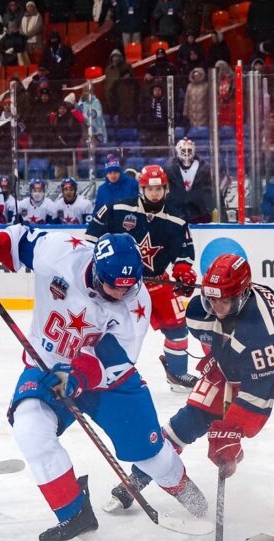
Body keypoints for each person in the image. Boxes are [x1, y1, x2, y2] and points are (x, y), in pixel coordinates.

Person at [0, 228, 209, 541]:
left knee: (151, 456)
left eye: (129, 286)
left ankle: (187, 492)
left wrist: (76, 377)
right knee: (29, 428)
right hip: (47, 364)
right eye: (114, 286)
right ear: (96, 270)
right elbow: (16, 241)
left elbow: (117, 360)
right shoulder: (60, 253)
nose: (123, 294)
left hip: (108, 382)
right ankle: (75, 516)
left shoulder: (136, 303)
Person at [104, 253, 274, 513]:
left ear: (241, 296)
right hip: (240, 358)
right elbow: (214, 341)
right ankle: (136, 479)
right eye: (211, 298)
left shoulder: (262, 329)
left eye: (224, 301)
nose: (215, 307)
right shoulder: (198, 311)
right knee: (192, 416)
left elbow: (258, 396)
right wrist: (217, 360)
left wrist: (231, 431)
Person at [87, 164, 197, 391]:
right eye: (150, 189)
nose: (155, 193)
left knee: (178, 328)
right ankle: (107, 372)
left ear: (165, 189)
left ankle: (177, 374)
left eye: (159, 189)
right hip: (122, 286)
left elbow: (184, 253)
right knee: (114, 330)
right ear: (142, 188)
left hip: (158, 282)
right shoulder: (117, 209)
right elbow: (91, 241)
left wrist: (183, 271)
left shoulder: (176, 219)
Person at [165, 138, 213, 223]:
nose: (186, 153)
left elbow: (208, 192)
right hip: (177, 214)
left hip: (199, 214)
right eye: (183, 150)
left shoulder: (204, 168)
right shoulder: (169, 168)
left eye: (189, 150)